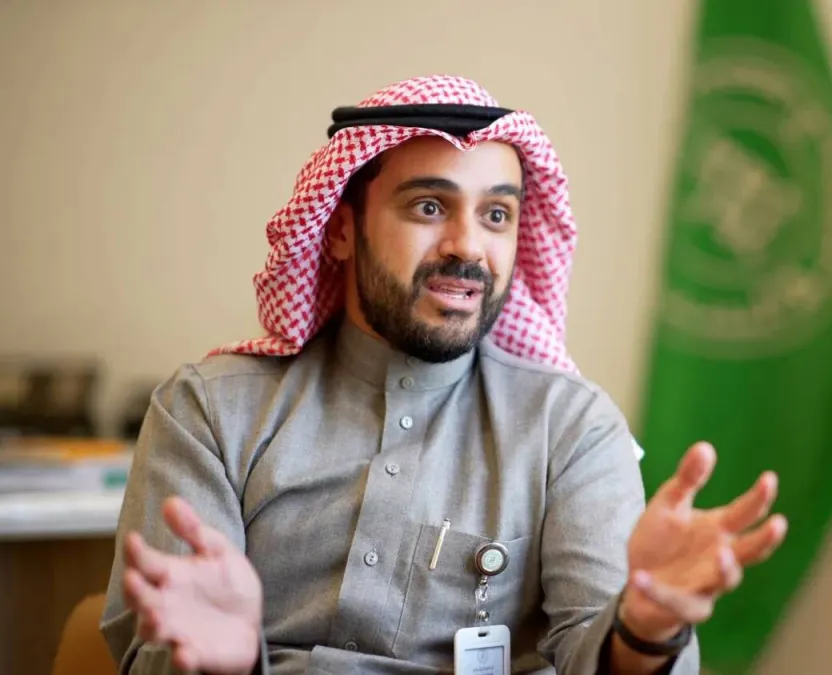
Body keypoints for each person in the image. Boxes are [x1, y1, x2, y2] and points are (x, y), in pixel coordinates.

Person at [100, 75, 788, 675]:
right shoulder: (210, 408)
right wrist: (222, 665)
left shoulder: (570, 428)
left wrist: (644, 627)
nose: (468, 246)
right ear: (340, 229)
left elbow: (598, 655)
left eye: (497, 215)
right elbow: (148, 649)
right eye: (429, 206)